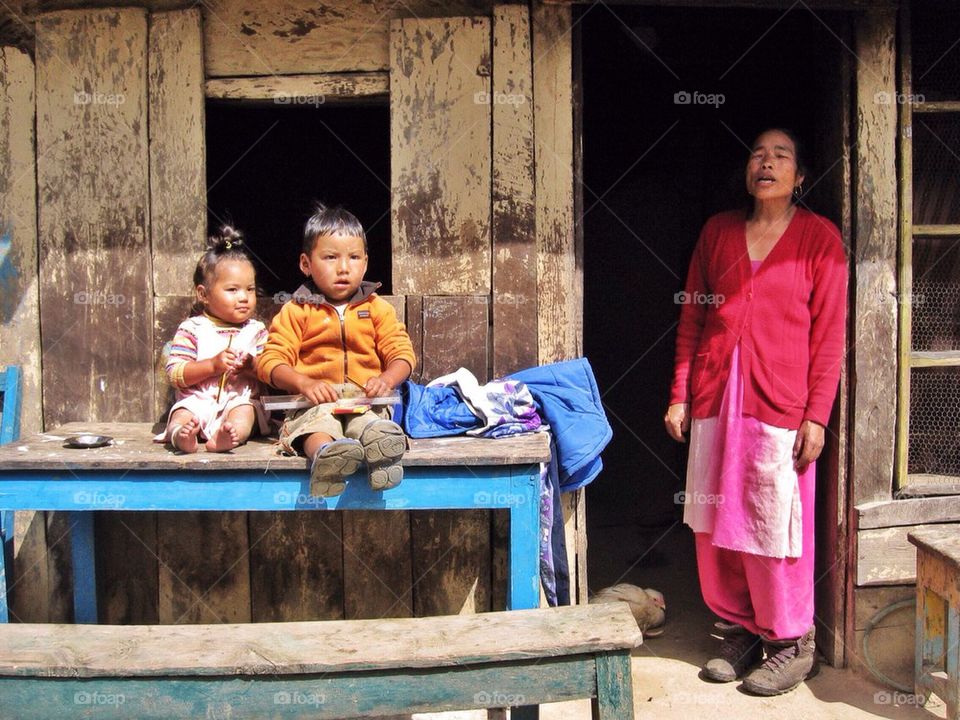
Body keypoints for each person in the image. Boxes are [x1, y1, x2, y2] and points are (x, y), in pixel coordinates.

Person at [664, 128, 847, 695]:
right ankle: (742, 628)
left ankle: (791, 642)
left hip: (780, 404)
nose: (766, 163)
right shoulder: (718, 232)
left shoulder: (820, 240)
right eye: (758, 154)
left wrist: (817, 414)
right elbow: (693, 318)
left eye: (781, 155)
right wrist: (680, 392)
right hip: (718, 396)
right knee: (717, 522)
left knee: (773, 525)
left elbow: (830, 335)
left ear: (800, 176)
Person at [256, 204, 416, 497]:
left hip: (366, 401)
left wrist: (387, 380)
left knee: (370, 423)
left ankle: (382, 457)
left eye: (354, 257)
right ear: (306, 264)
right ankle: (327, 458)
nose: (344, 268)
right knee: (320, 426)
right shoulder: (297, 310)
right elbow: (270, 361)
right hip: (313, 404)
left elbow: (402, 354)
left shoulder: (377, 308)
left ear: (365, 263)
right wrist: (304, 383)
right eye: (330, 257)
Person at [159, 226, 269, 453]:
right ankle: (181, 436)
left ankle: (228, 437)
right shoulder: (192, 328)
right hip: (198, 400)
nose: (244, 297)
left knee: (245, 413)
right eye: (232, 289)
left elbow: (271, 373)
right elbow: (175, 374)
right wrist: (211, 366)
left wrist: (251, 367)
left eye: (250, 289)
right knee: (182, 413)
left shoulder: (257, 331)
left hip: (240, 399)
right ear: (204, 294)